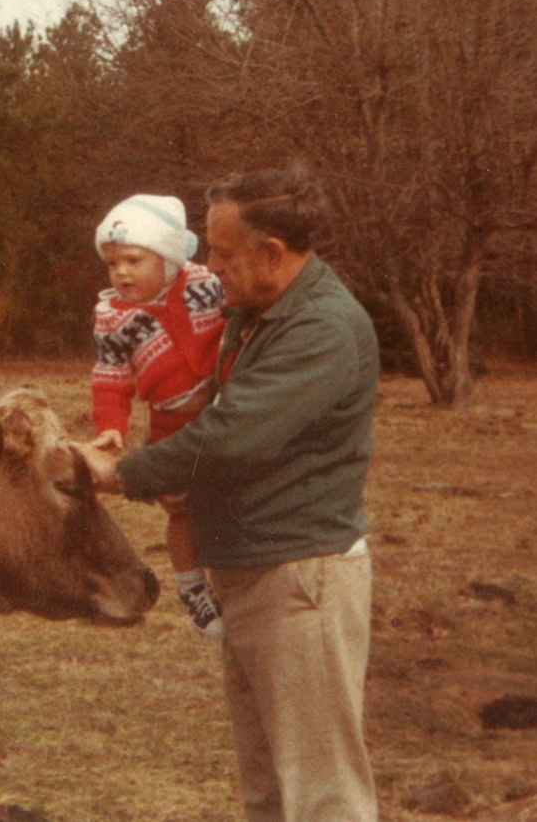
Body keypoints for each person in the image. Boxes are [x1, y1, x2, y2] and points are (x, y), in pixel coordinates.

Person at [76, 168, 379, 822]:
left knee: (321, 794)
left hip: (298, 581)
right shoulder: (259, 312)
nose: (208, 266)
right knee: (269, 789)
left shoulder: (320, 329)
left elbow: (230, 436)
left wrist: (123, 473)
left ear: (272, 252)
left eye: (222, 252)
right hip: (254, 574)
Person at [90, 193, 226, 637]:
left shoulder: (204, 284)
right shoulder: (113, 319)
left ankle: (233, 576)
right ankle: (191, 586)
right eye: (112, 263)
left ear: (167, 257)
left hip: (221, 408)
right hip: (169, 423)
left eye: (133, 260)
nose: (121, 272)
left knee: (225, 496)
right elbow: (111, 377)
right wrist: (111, 425)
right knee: (180, 509)